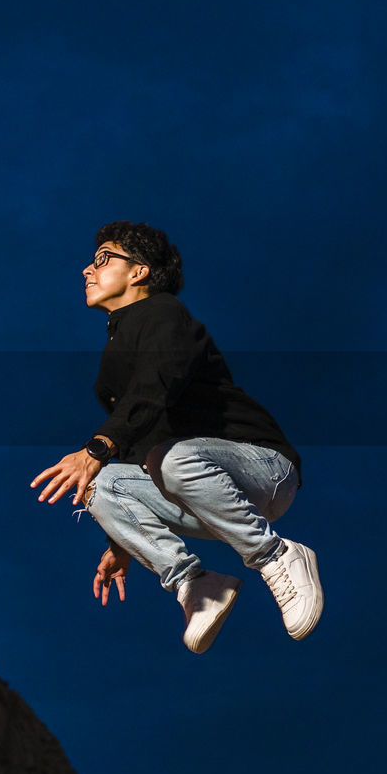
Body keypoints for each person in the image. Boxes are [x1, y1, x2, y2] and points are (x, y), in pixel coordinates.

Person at [30, 221, 323, 652]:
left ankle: (276, 556)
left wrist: (95, 448)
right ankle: (198, 587)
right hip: (202, 490)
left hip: (264, 468)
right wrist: (123, 538)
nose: (87, 271)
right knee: (100, 483)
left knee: (164, 459)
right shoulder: (112, 366)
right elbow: (130, 450)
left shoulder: (165, 314)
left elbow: (157, 384)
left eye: (102, 259)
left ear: (139, 271)